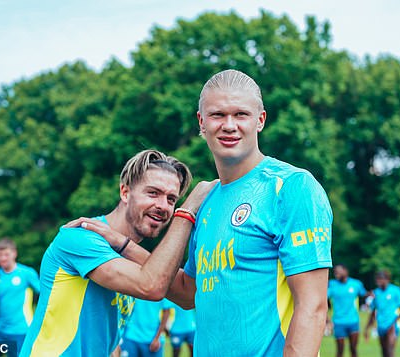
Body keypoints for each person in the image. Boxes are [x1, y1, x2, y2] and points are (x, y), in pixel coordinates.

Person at [72, 69, 333, 356]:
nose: (229, 125)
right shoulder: (207, 201)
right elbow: (187, 292)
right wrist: (123, 245)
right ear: (202, 122)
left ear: (260, 121)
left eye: (241, 115)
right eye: (218, 115)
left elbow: (312, 307)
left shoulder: (291, 187)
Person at [20, 150, 215, 356]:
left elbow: (186, 297)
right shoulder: (82, 237)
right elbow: (151, 285)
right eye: (153, 193)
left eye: (171, 199)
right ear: (125, 192)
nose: (162, 206)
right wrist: (186, 213)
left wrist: (123, 243)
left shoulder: (126, 252)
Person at [0, 238, 40, 357]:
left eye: (6, 254)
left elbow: (44, 293)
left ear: (14, 253)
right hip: (0, 329)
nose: (2, 258)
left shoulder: (26, 273)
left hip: (21, 330)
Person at [327, 264, 367, 357]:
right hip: (338, 322)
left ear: (345, 271)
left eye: (338, 271)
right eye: (335, 272)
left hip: (353, 321)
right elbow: (323, 300)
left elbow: (365, 294)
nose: (336, 273)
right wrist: (327, 320)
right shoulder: (332, 284)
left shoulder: (356, 284)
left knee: (353, 349)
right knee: (340, 350)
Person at [364, 270, 400, 357]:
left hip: (392, 325)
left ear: (387, 279)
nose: (378, 282)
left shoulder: (396, 290)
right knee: (384, 351)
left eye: (380, 279)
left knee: (390, 350)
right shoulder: (376, 293)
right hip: (381, 325)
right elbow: (373, 312)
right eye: (377, 280)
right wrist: (367, 328)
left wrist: (395, 322)